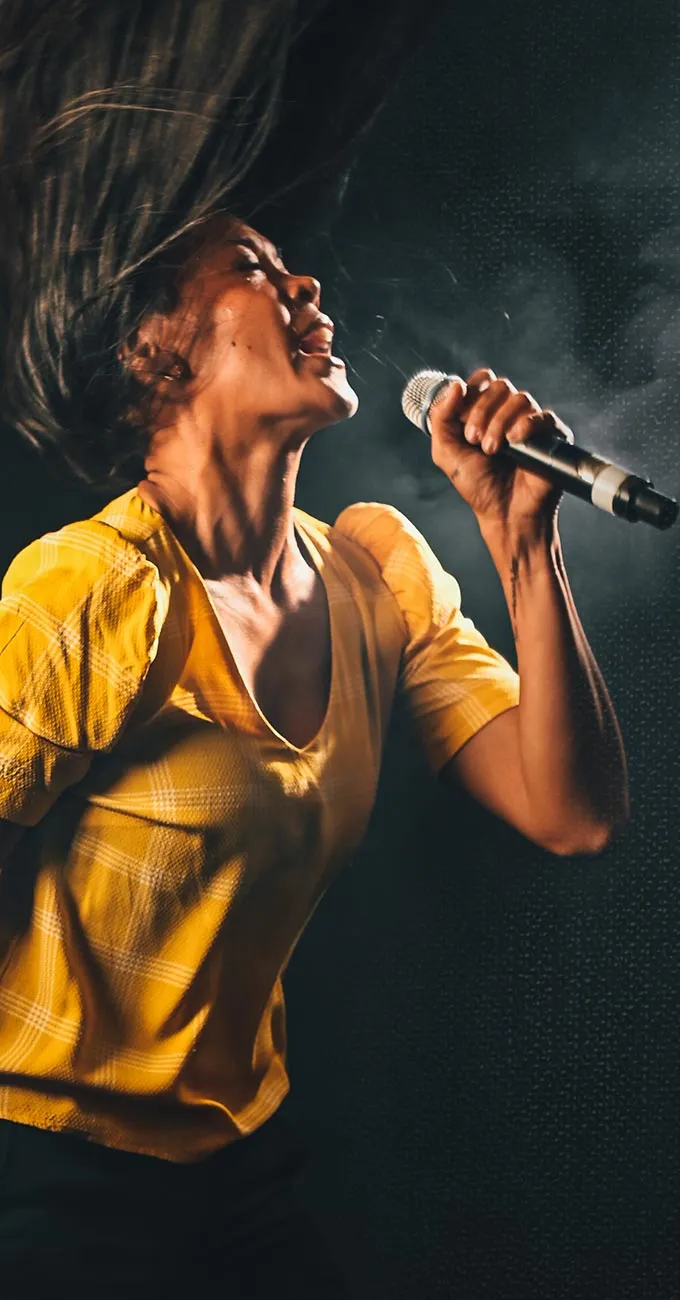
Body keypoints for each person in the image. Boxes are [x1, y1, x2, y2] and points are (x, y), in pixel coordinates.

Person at [0, 4, 628, 1296]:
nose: (307, 286)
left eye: (291, 260)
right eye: (251, 264)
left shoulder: (374, 569)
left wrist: (522, 545)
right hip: (54, 1179)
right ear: (151, 346)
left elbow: (570, 814)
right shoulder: (91, 592)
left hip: (247, 1172)